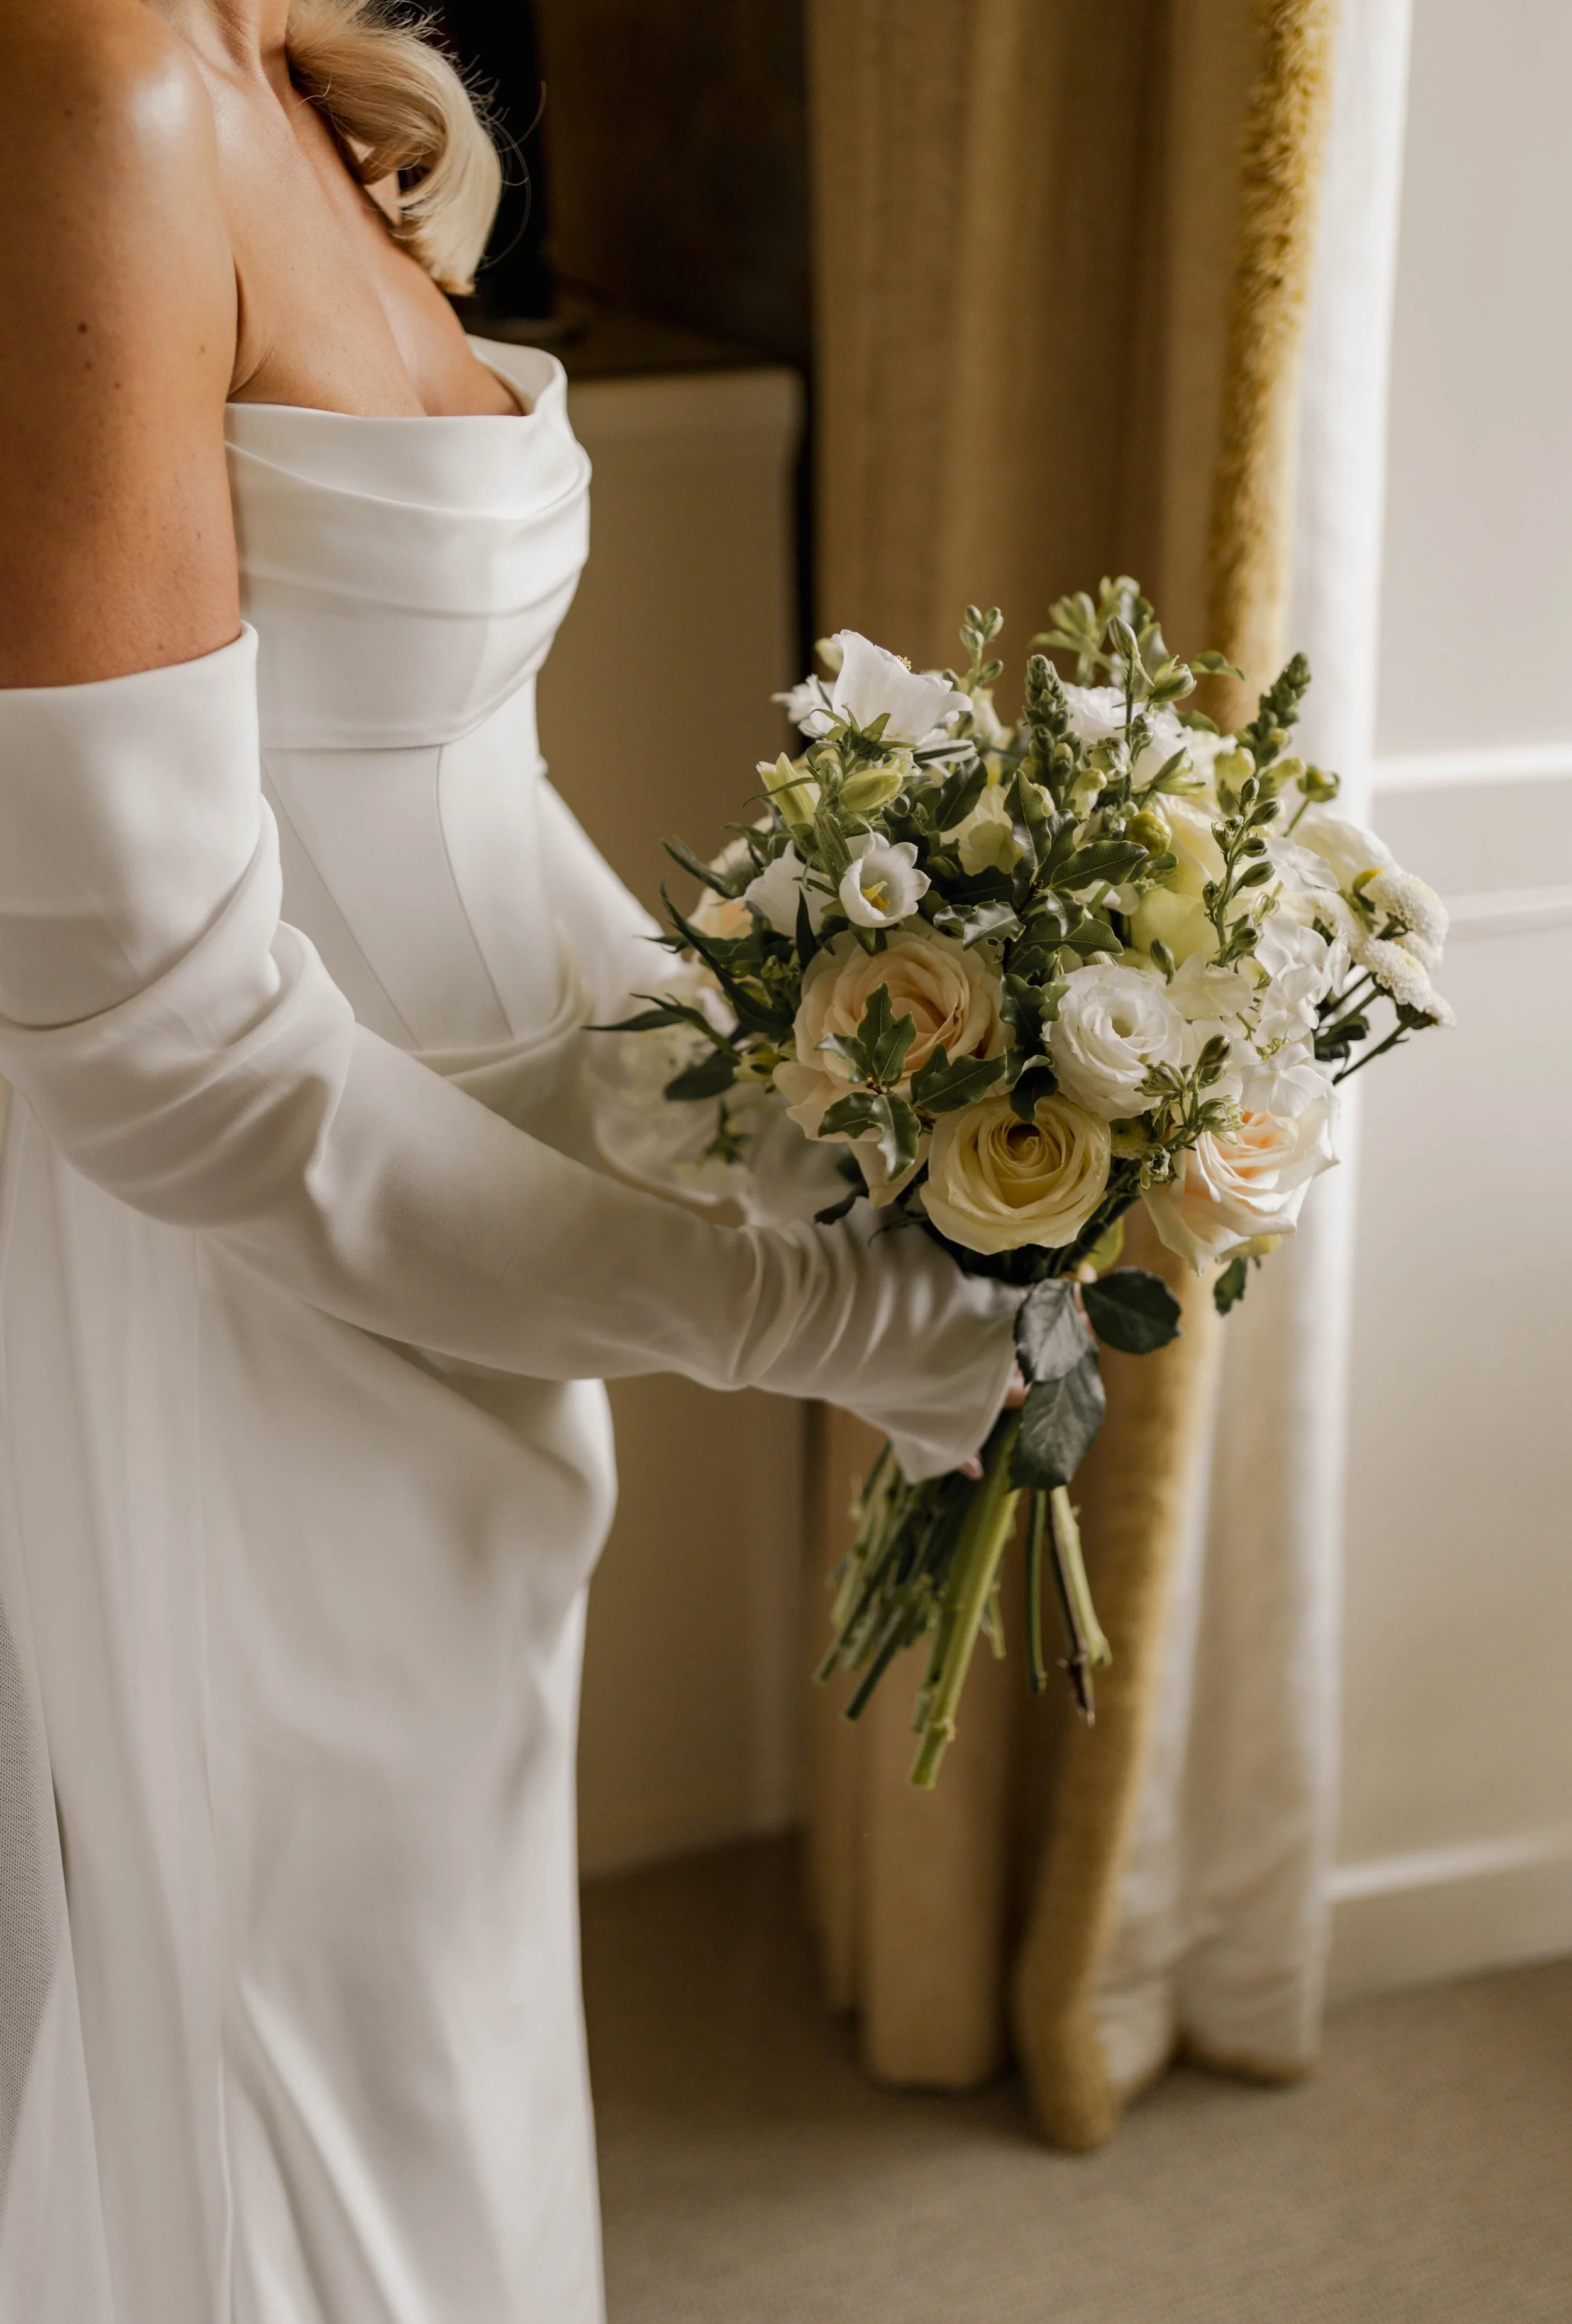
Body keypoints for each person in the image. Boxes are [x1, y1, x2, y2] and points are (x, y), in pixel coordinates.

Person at [0, 5, 1019, 2318]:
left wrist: (781, 1118)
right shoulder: (82, 84)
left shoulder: (266, 67)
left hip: (481, 1291)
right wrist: (785, 1310)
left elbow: (451, 777)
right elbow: (151, 1039)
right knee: (309, 2094)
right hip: (248, 1314)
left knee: (441, 2053)